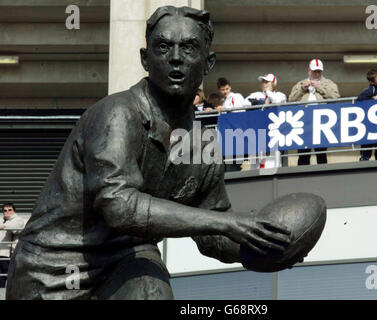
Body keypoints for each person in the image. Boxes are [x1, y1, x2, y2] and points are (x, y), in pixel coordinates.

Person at [6, 6, 291, 300]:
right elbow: (120, 206)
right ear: (146, 58)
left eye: (190, 48)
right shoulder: (117, 114)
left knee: (151, 289)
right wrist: (230, 223)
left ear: (208, 63)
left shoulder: (204, 145)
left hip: (127, 263)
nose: (176, 58)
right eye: (164, 47)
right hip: (53, 271)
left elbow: (213, 236)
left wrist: (265, 247)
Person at [288, 59, 340, 165]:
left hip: (322, 121)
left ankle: (323, 178)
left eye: (319, 71)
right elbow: (291, 100)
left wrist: (319, 87)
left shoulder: (328, 83)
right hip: (304, 121)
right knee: (303, 153)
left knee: (321, 153)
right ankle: (301, 177)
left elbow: (336, 97)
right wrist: (302, 90)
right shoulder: (300, 84)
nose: (316, 74)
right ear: (309, 70)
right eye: (314, 71)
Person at [0, 203, 25, 288]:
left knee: (11, 275)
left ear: (14, 211)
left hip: (13, 253)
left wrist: (3, 226)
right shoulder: (1, 220)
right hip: (3, 252)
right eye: (5, 210)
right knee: (1, 276)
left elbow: (14, 228)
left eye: (10, 210)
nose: (7, 212)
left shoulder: (18, 219)